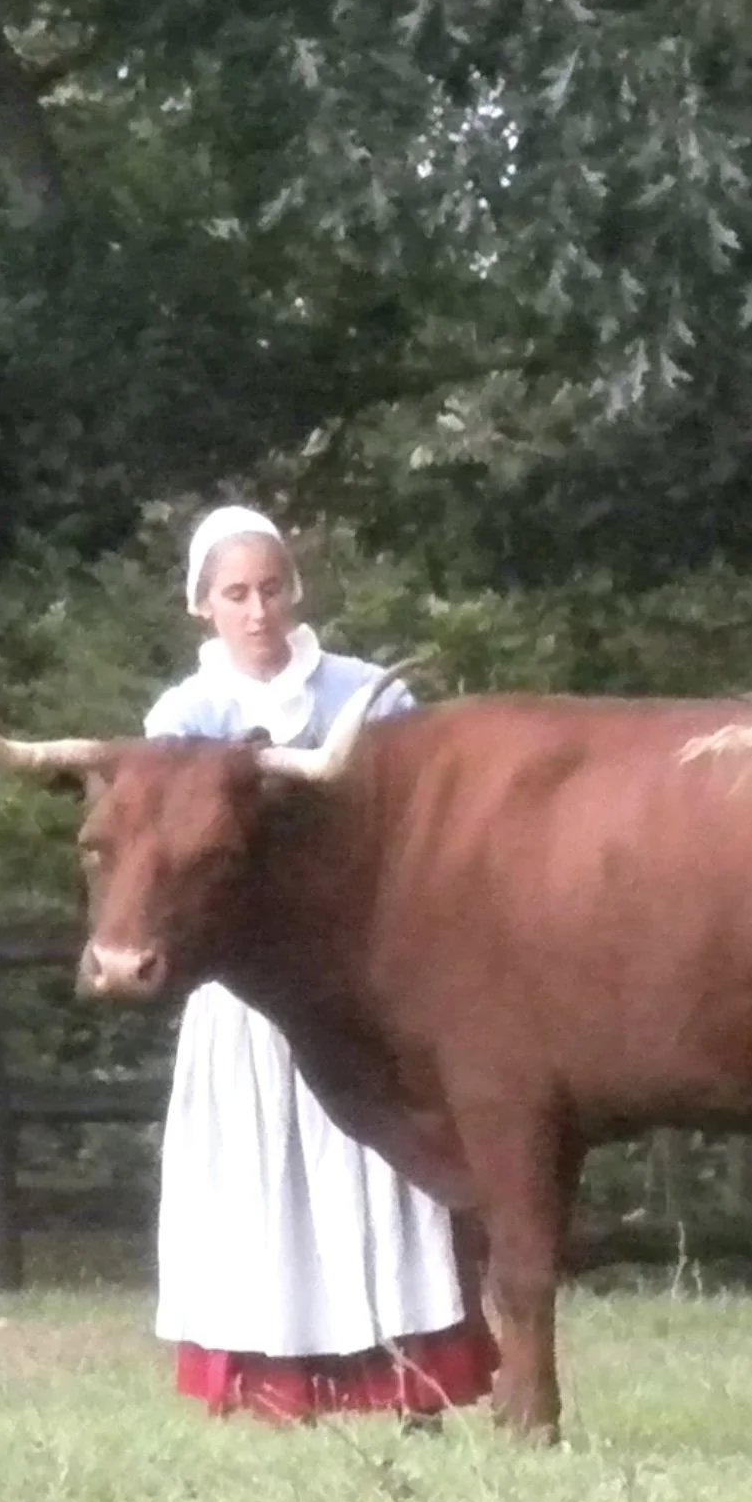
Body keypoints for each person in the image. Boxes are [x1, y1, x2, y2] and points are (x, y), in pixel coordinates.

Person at [144, 504, 497, 1425]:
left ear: (293, 591)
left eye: (270, 588)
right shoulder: (181, 717)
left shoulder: (367, 695)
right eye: (234, 593)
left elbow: (420, 822)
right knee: (264, 1179)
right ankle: (273, 1385)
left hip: (362, 976)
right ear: (202, 606)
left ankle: (405, 1378)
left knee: (380, 1164)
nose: (256, 609)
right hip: (247, 991)